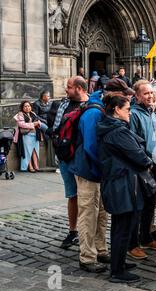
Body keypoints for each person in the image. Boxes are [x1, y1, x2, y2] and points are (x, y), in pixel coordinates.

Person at [97, 94, 153, 283]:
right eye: (127, 109)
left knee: (123, 227)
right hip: (121, 184)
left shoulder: (115, 128)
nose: (130, 112)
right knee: (122, 228)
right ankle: (117, 271)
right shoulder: (117, 131)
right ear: (117, 110)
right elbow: (139, 155)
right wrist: (147, 160)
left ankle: (118, 262)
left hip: (121, 183)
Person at [67, 76, 109, 273]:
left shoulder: (99, 109)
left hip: (96, 171)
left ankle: (100, 249)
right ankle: (87, 257)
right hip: (88, 171)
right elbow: (92, 147)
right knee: (88, 214)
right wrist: (103, 167)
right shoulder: (93, 113)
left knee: (100, 213)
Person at [128, 80, 156, 260]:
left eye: (151, 93)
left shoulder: (155, 114)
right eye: (145, 93)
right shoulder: (134, 114)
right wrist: (146, 161)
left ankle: (146, 237)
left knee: (151, 204)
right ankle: (132, 243)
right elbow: (134, 142)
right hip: (142, 166)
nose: (150, 96)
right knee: (138, 206)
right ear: (136, 96)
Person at [53, 77, 88, 250]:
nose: (66, 90)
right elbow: (56, 129)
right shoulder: (63, 104)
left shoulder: (91, 106)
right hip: (66, 158)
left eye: (69, 87)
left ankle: (88, 232)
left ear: (79, 89)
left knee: (88, 197)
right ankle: (73, 231)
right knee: (72, 196)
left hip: (84, 159)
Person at [13, 101, 42, 172]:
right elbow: (21, 124)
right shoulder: (20, 114)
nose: (27, 108)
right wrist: (33, 124)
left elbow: (38, 121)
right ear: (22, 107)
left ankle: (36, 165)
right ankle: (29, 166)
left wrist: (38, 123)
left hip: (35, 135)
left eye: (28, 106)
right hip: (27, 135)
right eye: (25, 106)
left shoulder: (33, 113)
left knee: (35, 151)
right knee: (27, 151)